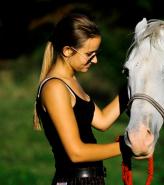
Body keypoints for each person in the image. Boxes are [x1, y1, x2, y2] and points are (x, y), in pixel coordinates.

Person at [33, 13, 131, 185]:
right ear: (67, 51)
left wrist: (132, 87)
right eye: (89, 54)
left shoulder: (72, 81)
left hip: (91, 180)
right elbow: (76, 152)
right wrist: (127, 147)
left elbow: (102, 121)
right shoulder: (55, 88)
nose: (95, 60)